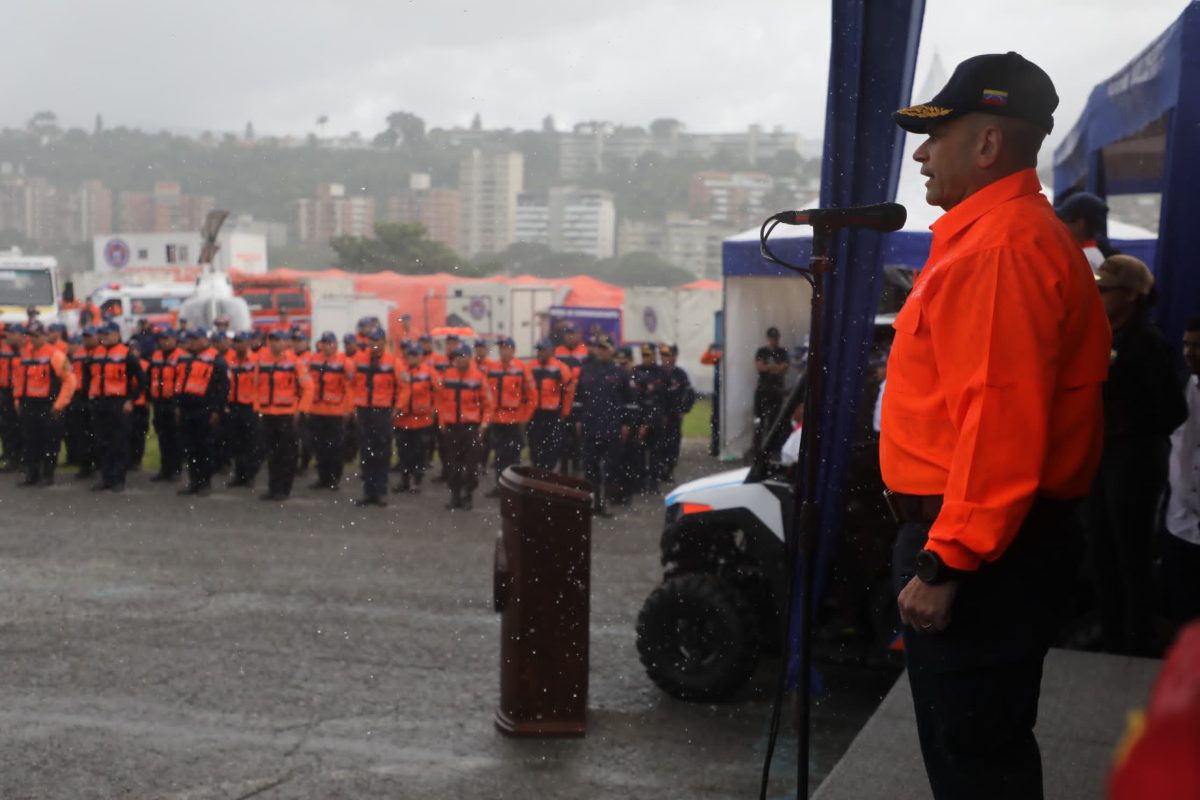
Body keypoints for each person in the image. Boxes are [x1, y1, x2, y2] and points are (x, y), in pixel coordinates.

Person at [883, 52, 1111, 799]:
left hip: (981, 554)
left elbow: (999, 418)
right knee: (978, 749)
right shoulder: (996, 237)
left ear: (986, 145)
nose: (920, 152)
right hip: (990, 544)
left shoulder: (1003, 248)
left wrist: (947, 560)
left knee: (977, 759)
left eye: (936, 135)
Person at [1086, 255, 1188, 654]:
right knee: (1102, 547)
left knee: (1131, 550)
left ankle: (1136, 636)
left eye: (1104, 290)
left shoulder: (1147, 342)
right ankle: (1112, 630)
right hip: (1106, 456)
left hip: (1134, 459)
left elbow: (1172, 411)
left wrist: (1131, 427)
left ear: (1130, 294)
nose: (1097, 296)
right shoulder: (1109, 336)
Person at [1164, 316, 1200, 626]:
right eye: (1187, 344)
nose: (1190, 352)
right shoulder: (1178, 386)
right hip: (1180, 522)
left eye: (1198, 345)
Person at [13, 321, 76, 486]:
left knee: (49, 441)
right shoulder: (26, 355)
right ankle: (31, 474)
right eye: (30, 336)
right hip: (29, 404)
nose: (32, 339)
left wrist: (59, 405)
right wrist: (18, 399)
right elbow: (20, 379)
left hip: (48, 405)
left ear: (44, 336)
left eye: (36, 336)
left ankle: (47, 475)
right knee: (30, 440)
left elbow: (70, 380)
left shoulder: (55, 355)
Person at [254, 329, 313, 502]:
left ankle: (284, 489)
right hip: (268, 414)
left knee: (286, 454)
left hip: (287, 415)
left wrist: (301, 410)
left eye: (279, 340)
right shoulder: (262, 360)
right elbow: (256, 387)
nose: (275, 343)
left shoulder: (295, 362)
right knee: (272, 455)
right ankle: (273, 488)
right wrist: (257, 408)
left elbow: (308, 388)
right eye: (272, 339)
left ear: (286, 342)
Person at [575, 335, 631, 517]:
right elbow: (578, 399)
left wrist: (626, 423)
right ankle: (593, 503)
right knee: (590, 468)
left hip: (612, 427)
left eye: (605, 348)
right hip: (591, 426)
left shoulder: (620, 373)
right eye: (599, 348)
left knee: (610, 468)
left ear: (612, 350)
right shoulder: (586, 370)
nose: (602, 351)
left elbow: (629, 401)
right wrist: (577, 419)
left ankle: (605, 503)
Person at [87, 321, 145, 491]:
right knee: (101, 442)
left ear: (117, 335)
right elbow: (87, 377)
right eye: (102, 334)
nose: (103, 337)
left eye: (107, 334)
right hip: (100, 403)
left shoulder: (127, 355)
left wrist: (131, 400)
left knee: (119, 442)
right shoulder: (95, 354)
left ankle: (118, 479)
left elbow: (142, 380)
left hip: (119, 404)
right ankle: (105, 477)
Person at [435, 343, 493, 510]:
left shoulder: (479, 377)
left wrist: (483, 425)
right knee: (453, 464)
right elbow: (440, 400)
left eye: (463, 356)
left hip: (471, 429)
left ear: (469, 357)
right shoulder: (447, 376)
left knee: (471, 464)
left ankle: (468, 495)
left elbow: (488, 405)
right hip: (452, 428)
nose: (459, 359)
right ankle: (455, 495)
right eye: (457, 356)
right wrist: (442, 422)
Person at [174, 329, 229, 497]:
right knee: (190, 448)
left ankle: (205, 483)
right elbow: (179, 382)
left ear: (205, 340)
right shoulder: (184, 357)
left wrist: (217, 410)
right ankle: (194, 481)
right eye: (191, 339)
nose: (193, 342)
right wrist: (177, 405)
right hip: (186, 409)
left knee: (204, 447)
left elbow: (224, 388)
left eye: (196, 339)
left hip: (205, 409)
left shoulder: (217, 359)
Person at [351, 328, 398, 507]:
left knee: (382, 452)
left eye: (377, 341)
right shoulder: (360, 360)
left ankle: (380, 491)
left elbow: (403, 387)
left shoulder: (393, 362)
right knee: (365, 452)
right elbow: (351, 383)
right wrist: (354, 406)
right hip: (364, 412)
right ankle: (368, 491)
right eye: (371, 341)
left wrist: (396, 409)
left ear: (384, 342)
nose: (374, 344)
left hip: (382, 412)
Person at [481, 337, 532, 497]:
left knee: (514, 455)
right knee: (499, 454)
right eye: (501, 348)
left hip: (515, 420)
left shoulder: (521, 368)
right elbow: (485, 392)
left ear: (513, 350)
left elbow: (531, 396)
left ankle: (513, 487)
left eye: (507, 348)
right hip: (497, 419)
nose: (504, 351)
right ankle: (499, 485)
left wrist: (526, 417)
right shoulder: (492, 368)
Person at [307, 331, 354, 491]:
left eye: (330, 343)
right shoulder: (314, 360)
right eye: (324, 343)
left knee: (334, 448)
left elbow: (349, 388)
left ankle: (334, 479)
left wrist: (348, 409)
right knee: (319, 447)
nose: (327, 346)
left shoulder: (344, 362)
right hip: (316, 410)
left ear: (335, 344)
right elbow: (308, 386)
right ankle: (322, 477)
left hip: (335, 412)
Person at [393, 343, 437, 494]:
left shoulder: (429, 371)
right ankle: (404, 481)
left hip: (422, 420)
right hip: (403, 419)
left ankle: (417, 481)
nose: (411, 358)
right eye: (409, 355)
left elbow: (439, 388)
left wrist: (433, 407)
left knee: (419, 452)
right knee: (403, 451)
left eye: (415, 355)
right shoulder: (401, 370)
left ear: (420, 356)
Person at [526, 338, 575, 471]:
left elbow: (569, 392)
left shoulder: (560, 368)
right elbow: (524, 391)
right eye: (538, 350)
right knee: (535, 447)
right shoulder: (530, 367)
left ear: (550, 351)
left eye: (542, 350)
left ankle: (547, 474)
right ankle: (536, 473)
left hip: (552, 414)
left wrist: (565, 412)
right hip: (535, 414)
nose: (540, 353)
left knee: (551, 448)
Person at [224, 331, 261, 489]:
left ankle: (250, 475)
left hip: (250, 407)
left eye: (241, 341)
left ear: (247, 343)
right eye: (236, 341)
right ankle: (240, 474)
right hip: (234, 406)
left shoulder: (256, 361)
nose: (237, 344)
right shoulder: (230, 360)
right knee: (236, 443)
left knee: (251, 443)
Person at [654, 343, 694, 485]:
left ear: (674, 357)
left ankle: (669, 470)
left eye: (668, 355)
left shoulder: (680, 374)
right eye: (663, 355)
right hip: (659, 416)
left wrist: (684, 410)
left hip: (674, 416)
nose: (665, 359)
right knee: (659, 444)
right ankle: (658, 470)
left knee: (673, 445)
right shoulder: (657, 373)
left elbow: (689, 394)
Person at [148, 328, 184, 482]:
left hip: (173, 402)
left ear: (175, 339)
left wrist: (179, 404)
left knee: (175, 437)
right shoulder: (156, 356)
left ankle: (176, 469)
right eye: (162, 338)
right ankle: (165, 469)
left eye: (167, 338)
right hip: (159, 401)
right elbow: (150, 377)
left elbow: (182, 381)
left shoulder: (181, 356)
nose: (164, 341)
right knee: (162, 437)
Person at [630, 343, 666, 493]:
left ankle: (654, 483)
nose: (646, 358)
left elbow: (666, 396)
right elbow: (634, 397)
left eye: (649, 355)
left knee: (655, 453)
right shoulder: (636, 372)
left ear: (654, 355)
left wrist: (665, 414)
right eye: (644, 355)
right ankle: (639, 483)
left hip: (656, 418)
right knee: (638, 453)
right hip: (639, 418)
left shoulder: (661, 373)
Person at [555, 324, 589, 475]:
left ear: (579, 335)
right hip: (562, 401)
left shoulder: (585, 352)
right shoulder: (557, 351)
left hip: (580, 400)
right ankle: (563, 469)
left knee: (578, 436)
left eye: (572, 333)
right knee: (562, 436)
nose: (569, 336)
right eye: (567, 334)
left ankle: (577, 466)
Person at [1054, 191, 1117, 270]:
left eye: (1065, 220)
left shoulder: (1084, 258)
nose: (1061, 225)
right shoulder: (1093, 253)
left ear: (1080, 224)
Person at [753, 327, 789, 455]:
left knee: (774, 419)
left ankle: (772, 448)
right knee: (760, 420)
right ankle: (757, 448)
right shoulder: (762, 351)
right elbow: (760, 367)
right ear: (768, 339)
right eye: (772, 338)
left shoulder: (782, 352)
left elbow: (784, 368)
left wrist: (769, 367)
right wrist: (774, 367)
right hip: (763, 389)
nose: (773, 341)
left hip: (776, 390)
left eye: (775, 338)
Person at [0, 324, 26, 472]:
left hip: (22, 393)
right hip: (5, 392)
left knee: (22, 427)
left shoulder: (28, 352)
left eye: (11, 334)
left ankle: (23, 458)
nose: (7, 336)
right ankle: (11, 458)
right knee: (7, 427)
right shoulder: (4, 351)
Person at [700, 341, 723, 457]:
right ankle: (716, 444)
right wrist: (710, 349)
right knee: (716, 420)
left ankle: (719, 443)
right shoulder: (718, 354)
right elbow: (704, 360)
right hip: (718, 391)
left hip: (727, 391)